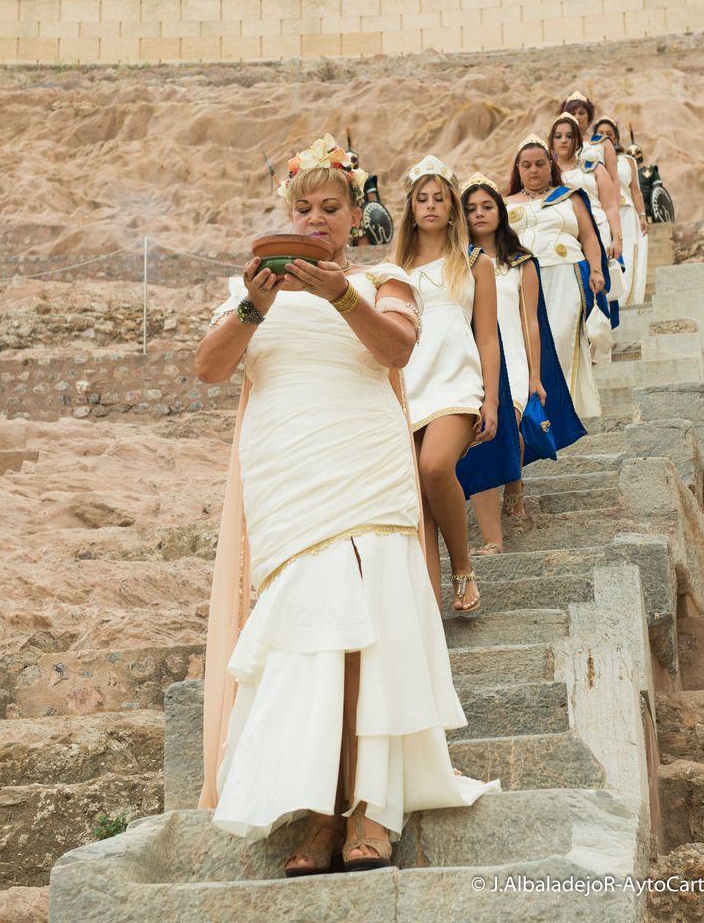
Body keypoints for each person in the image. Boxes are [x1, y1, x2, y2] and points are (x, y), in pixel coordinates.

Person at [195, 134, 498, 874]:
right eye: (304, 209)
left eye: (331, 208)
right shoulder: (249, 293)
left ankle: (370, 808)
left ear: (356, 215)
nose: (316, 220)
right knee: (308, 635)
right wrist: (254, 304)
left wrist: (336, 293)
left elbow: (396, 349)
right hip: (287, 471)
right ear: (288, 215)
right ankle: (318, 809)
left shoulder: (386, 280)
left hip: (363, 466)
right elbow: (208, 368)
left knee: (370, 632)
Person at [394, 155, 499, 615]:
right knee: (421, 499)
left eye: (440, 198)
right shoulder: (393, 270)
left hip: (457, 383)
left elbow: (488, 337)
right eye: (422, 199)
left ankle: (463, 568)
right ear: (411, 209)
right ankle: (430, 614)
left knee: (436, 467)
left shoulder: (475, 262)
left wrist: (492, 400)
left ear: (453, 207)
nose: (431, 205)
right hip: (409, 384)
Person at [460, 174, 562, 551]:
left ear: (500, 212)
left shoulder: (520, 262)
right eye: (471, 209)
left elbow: (530, 320)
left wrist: (535, 375)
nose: (479, 214)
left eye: (487, 206)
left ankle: (514, 485)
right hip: (472, 356)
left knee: (514, 425)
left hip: (514, 355)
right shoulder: (458, 262)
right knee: (482, 431)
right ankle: (491, 503)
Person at [506, 136, 605, 418]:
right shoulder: (503, 204)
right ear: (518, 169)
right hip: (518, 279)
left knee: (560, 337)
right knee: (525, 342)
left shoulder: (569, 197)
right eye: (526, 165)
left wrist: (596, 270)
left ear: (551, 166)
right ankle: (534, 412)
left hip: (565, 274)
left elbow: (589, 237)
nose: (533, 170)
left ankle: (564, 411)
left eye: (540, 164)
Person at [549, 114, 622, 259]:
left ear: (578, 141)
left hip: (598, 230)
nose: (563, 140)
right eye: (558, 136)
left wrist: (617, 238)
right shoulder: (548, 176)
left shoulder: (595, 168)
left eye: (569, 136)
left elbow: (610, 206)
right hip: (564, 238)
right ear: (552, 142)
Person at [595, 117, 649, 306]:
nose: (605, 137)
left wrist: (642, 215)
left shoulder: (628, 161)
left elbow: (635, 191)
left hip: (627, 214)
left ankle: (628, 301)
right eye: (600, 133)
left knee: (629, 254)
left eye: (609, 134)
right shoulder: (591, 162)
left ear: (616, 137)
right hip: (603, 217)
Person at [560, 89, 621, 202]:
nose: (577, 117)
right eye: (572, 113)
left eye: (581, 113)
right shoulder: (558, 145)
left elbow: (614, 178)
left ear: (589, 116)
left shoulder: (603, 143)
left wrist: (614, 206)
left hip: (599, 202)